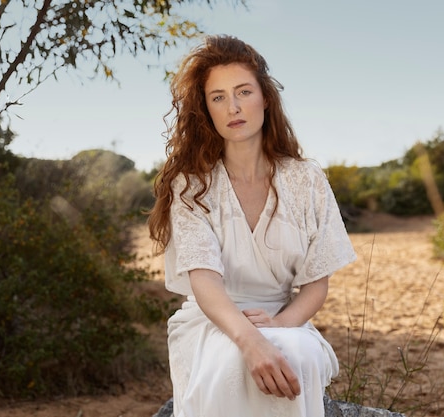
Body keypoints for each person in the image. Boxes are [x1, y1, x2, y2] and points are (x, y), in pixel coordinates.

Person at [148, 34, 356, 417]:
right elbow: (204, 281)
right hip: (214, 320)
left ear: (265, 97)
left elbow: (316, 282)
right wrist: (250, 341)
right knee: (229, 363)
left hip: (285, 316)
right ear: (206, 110)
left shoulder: (306, 179)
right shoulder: (192, 185)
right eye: (218, 97)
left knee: (292, 353)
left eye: (243, 91)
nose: (233, 107)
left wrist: (279, 325)